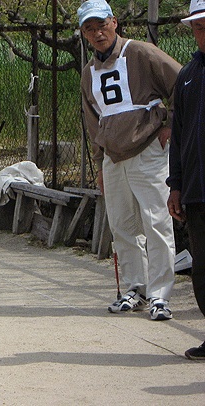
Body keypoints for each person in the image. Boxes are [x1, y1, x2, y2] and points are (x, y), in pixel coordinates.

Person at [78, 0, 181, 320]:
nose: (97, 33)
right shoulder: (89, 72)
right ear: (83, 34)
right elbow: (92, 120)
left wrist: (170, 125)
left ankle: (160, 295)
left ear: (114, 22)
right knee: (122, 226)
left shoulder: (140, 53)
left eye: (101, 25)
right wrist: (99, 161)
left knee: (156, 222)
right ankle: (136, 287)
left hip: (148, 150)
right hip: (113, 157)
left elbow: (181, 82)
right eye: (89, 29)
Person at [167, 0, 205, 360]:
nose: (203, 33)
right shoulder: (188, 75)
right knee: (202, 268)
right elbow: (178, 135)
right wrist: (175, 185)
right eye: (199, 27)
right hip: (196, 189)